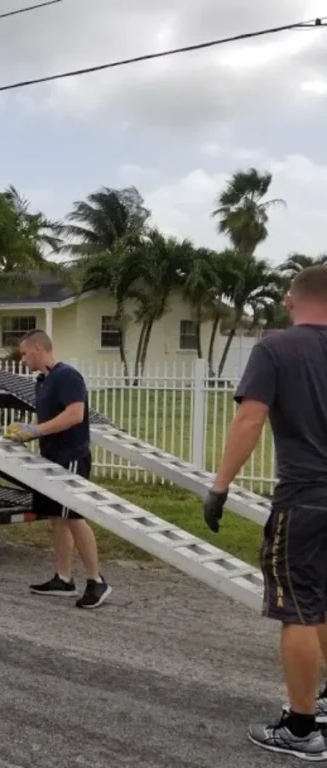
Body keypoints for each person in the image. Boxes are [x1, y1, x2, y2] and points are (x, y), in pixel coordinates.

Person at [205, 265, 327, 761]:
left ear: (292, 299)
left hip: (305, 497)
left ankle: (301, 730)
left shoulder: (275, 348)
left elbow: (250, 418)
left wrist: (219, 486)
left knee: (298, 608)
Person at [5, 329, 112, 609]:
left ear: (39, 349)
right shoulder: (43, 381)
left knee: (74, 517)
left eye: (25, 353)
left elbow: (75, 414)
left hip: (71, 457)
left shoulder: (67, 376)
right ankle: (63, 579)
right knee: (56, 518)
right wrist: (25, 432)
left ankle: (97, 580)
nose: (24, 358)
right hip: (50, 457)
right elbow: (46, 418)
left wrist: (36, 430)